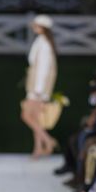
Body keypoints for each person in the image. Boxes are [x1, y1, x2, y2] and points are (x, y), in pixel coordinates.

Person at [20, 14, 58, 158]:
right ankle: (39, 147)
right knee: (35, 118)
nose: (34, 28)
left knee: (27, 115)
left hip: (37, 88)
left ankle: (47, 141)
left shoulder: (44, 45)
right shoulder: (42, 42)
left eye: (37, 25)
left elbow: (43, 69)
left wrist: (38, 90)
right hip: (36, 87)